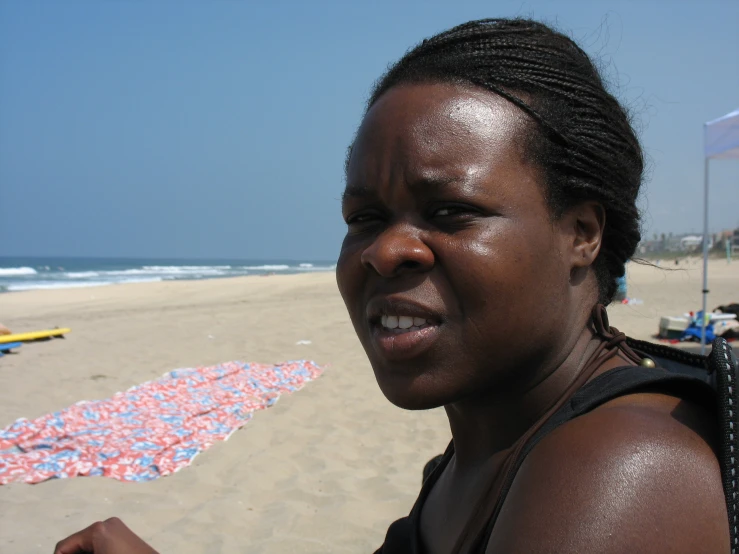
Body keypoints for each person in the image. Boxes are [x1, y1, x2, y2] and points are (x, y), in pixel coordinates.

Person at [54, 18, 730, 554]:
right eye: (364, 218)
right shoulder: (485, 443)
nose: (384, 252)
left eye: (449, 213)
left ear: (580, 231)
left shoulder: (623, 469)